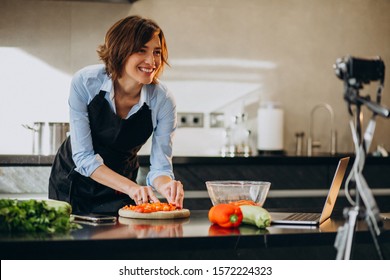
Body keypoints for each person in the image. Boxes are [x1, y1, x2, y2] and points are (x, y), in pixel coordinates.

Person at [48, 15, 184, 214]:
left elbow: (160, 168)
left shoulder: (163, 100)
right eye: (141, 50)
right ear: (120, 50)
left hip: (122, 187)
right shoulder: (85, 82)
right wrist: (132, 187)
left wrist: (167, 185)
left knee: (118, 243)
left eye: (157, 52)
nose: (152, 61)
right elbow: (84, 158)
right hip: (72, 183)